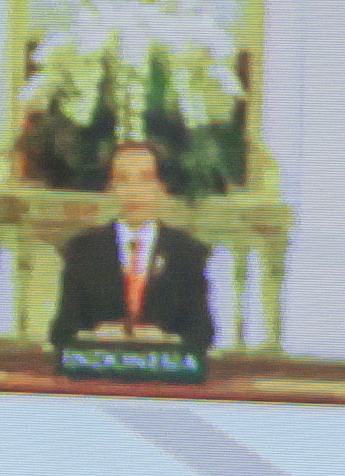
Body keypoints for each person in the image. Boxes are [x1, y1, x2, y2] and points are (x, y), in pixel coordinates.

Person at [58, 133, 226, 348]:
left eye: (145, 179)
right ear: (110, 188)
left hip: (164, 376)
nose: (134, 191)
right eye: (123, 179)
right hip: (100, 372)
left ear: (162, 187)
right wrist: (97, 335)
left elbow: (202, 332)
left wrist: (164, 339)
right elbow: (62, 330)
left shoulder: (187, 252)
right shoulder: (83, 249)